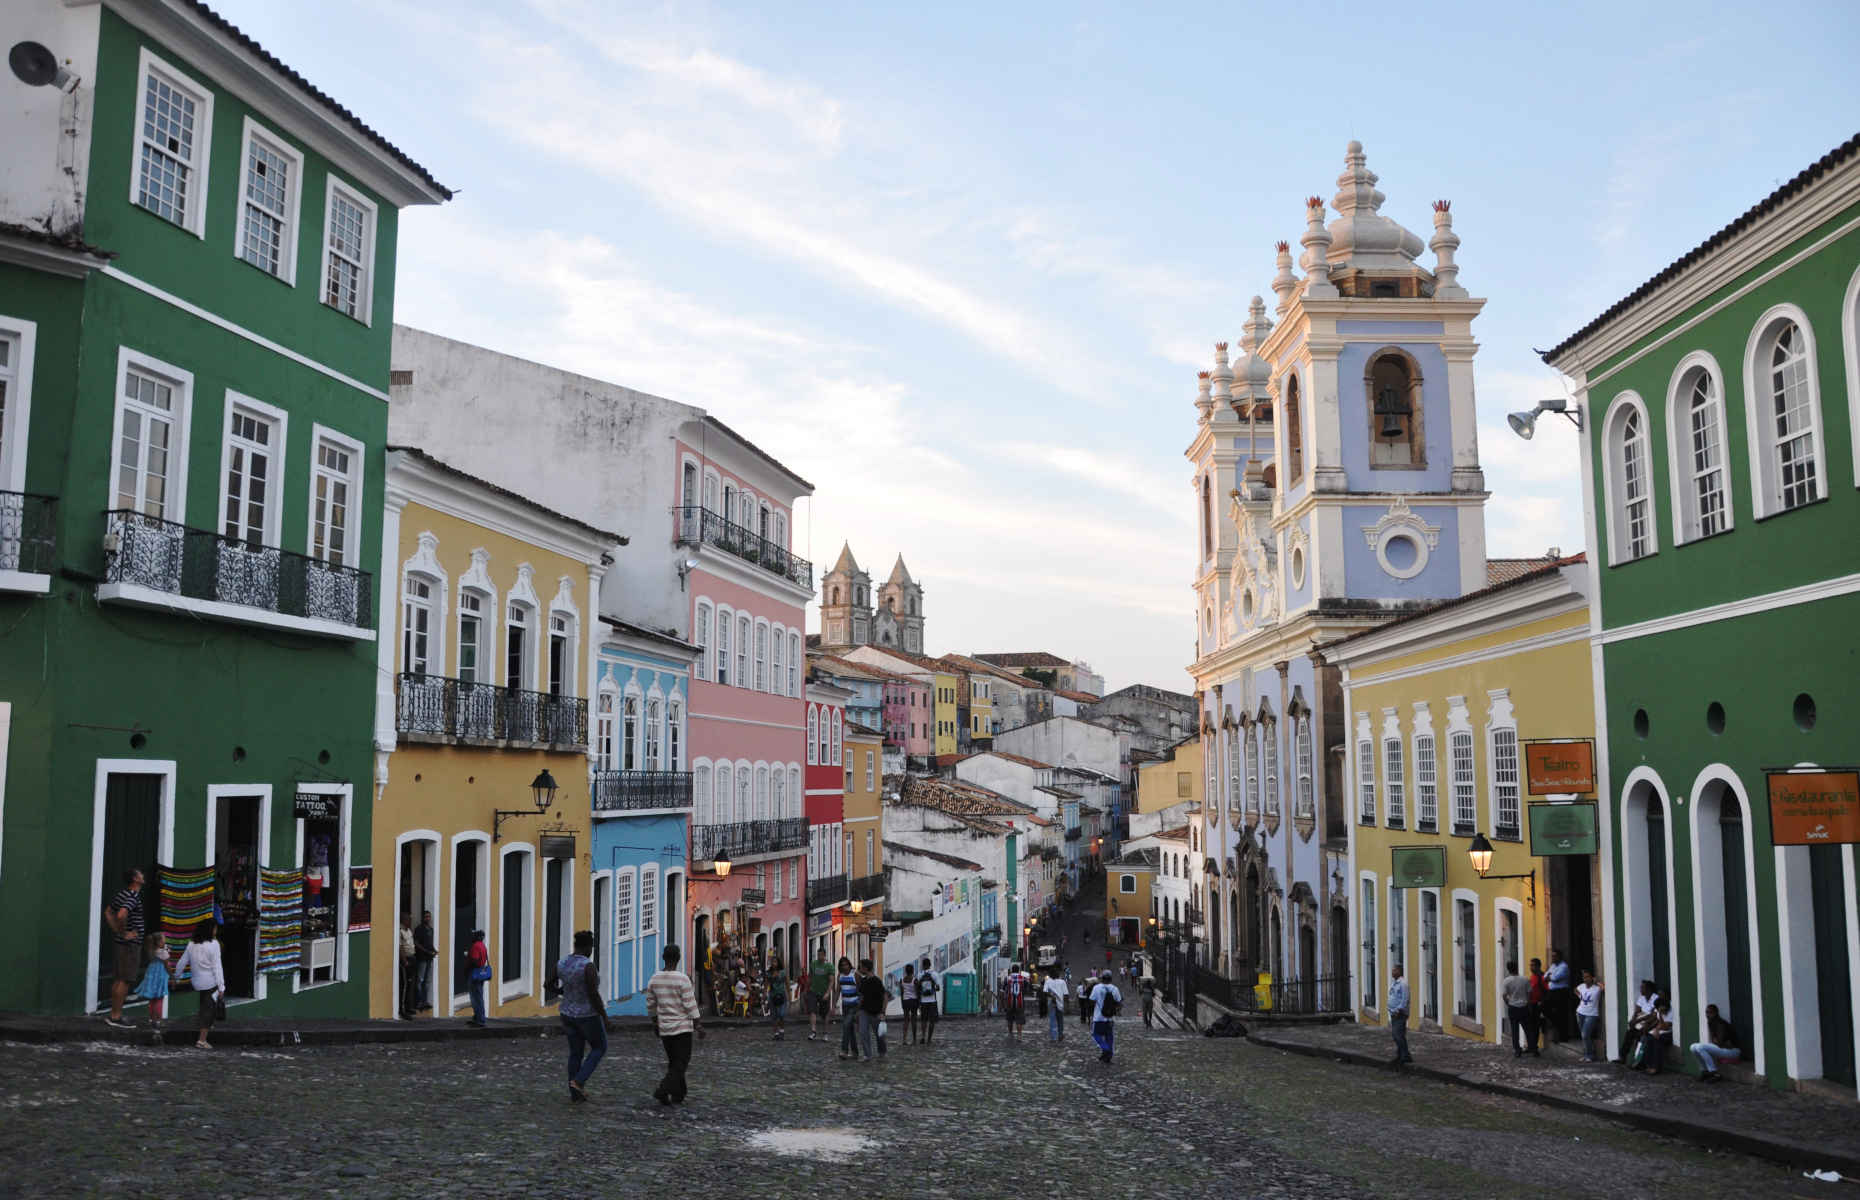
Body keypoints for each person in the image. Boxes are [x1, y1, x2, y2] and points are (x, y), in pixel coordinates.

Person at [551, 930, 605, 1102]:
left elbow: (547, 984)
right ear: (588, 946)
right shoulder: (587, 966)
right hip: (587, 1015)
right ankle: (579, 1081)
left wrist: (561, 991)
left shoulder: (562, 963)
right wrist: (604, 1016)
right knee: (599, 1047)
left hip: (567, 1013)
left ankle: (574, 1090)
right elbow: (593, 994)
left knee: (575, 1052)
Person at [646, 944, 703, 1106]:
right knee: (681, 1062)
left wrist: (655, 1023)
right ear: (678, 959)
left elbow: (651, 1005)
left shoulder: (654, 979)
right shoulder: (682, 979)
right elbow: (690, 1004)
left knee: (674, 1061)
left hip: (665, 1028)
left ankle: (679, 1093)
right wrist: (698, 1024)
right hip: (682, 1028)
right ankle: (663, 1089)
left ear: (663, 958)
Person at [103, 868, 146, 1028]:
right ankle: (116, 1017)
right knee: (125, 980)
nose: (143, 876)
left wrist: (117, 931)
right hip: (130, 945)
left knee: (118, 979)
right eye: (140, 874)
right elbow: (121, 914)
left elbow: (108, 912)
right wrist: (124, 932)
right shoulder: (133, 896)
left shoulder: (122, 894)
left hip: (121, 943)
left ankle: (113, 1014)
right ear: (135, 879)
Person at [174, 920, 225, 1050]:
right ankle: (202, 1040)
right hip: (210, 982)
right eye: (215, 928)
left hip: (196, 981)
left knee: (204, 1004)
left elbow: (182, 962)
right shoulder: (214, 944)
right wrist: (221, 986)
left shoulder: (191, 944)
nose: (216, 931)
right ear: (210, 930)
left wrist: (176, 977)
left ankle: (204, 1025)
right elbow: (217, 967)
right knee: (208, 1010)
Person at [1690, 1003, 1741, 1082]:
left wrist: (1717, 1042)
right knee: (1693, 1047)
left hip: (1733, 1051)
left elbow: (1719, 1042)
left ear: (1716, 1013)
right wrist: (1716, 1042)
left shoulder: (1720, 1023)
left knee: (1700, 1047)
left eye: (1710, 1012)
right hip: (1724, 1048)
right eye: (1706, 1012)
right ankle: (1704, 1071)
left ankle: (1714, 1073)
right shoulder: (1711, 1022)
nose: (1707, 1015)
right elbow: (1716, 1042)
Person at [130, 932, 172, 1027]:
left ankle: (151, 1018)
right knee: (159, 999)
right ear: (159, 942)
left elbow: (161, 951)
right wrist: (172, 976)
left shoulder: (152, 950)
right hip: (160, 976)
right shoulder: (163, 953)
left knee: (152, 1000)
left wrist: (165, 948)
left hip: (151, 975)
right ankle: (158, 1020)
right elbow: (167, 965)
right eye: (163, 939)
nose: (165, 941)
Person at [1620, 980, 1660, 1064]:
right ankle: (1622, 1057)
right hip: (1640, 1022)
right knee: (1629, 1033)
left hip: (1649, 1023)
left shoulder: (1655, 998)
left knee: (1639, 1036)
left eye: (1642, 988)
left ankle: (1638, 1061)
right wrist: (1633, 1020)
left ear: (1648, 989)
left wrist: (1638, 1020)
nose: (1640, 989)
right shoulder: (1641, 998)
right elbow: (1637, 1011)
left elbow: (1653, 1015)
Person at [1088, 969, 1121, 1063]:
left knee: (1096, 1035)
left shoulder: (1096, 988)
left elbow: (1091, 1001)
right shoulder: (1115, 989)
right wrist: (1114, 1010)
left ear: (1102, 978)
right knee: (1109, 1037)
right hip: (1109, 1018)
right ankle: (1108, 1054)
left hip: (1098, 1017)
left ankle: (1105, 1049)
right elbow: (1119, 1003)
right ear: (1111, 978)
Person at [856, 959, 885, 1062]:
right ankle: (867, 1055)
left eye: (861, 967)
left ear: (865, 968)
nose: (860, 968)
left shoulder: (877, 981)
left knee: (879, 1034)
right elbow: (862, 996)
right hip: (864, 1011)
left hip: (875, 1012)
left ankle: (882, 1053)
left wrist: (882, 1012)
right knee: (863, 1032)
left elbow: (884, 996)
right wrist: (858, 1010)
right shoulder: (863, 981)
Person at [1501, 964, 1533, 1058]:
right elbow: (1529, 993)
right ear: (1517, 968)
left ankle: (1517, 1050)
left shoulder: (1506, 981)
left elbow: (1504, 995)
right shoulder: (1525, 979)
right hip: (1524, 1006)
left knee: (1514, 1030)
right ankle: (1533, 1048)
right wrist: (1527, 1003)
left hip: (1513, 1007)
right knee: (1528, 1029)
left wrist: (1508, 1003)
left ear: (1508, 970)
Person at [1545, 948, 1573, 1042]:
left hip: (1561, 992)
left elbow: (1555, 978)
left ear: (1559, 957)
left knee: (1562, 1013)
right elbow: (1545, 976)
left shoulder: (1563, 967)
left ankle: (1563, 1037)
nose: (1552, 958)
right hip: (1552, 992)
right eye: (1552, 956)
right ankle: (1557, 1025)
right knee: (1544, 1008)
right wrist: (1549, 976)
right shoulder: (1553, 966)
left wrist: (1550, 976)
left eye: (1554, 956)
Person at [1576, 970, 1604, 1062]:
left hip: (1592, 1014)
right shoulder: (1581, 986)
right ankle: (1586, 1054)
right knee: (1584, 1035)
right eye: (1584, 977)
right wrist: (1580, 997)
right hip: (1580, 1012)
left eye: (1588, 977)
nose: (1586, 979)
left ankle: (1590, 1055)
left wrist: (1596, 982)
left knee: (1585, 1034)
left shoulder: (1596, 988)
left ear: (1592, 978)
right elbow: (1575, 990)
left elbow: (1603, 988)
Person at [413, 910, 438, 1011]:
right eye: (426, 917)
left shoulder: (431, 929)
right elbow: (416, 943)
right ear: (423, 918)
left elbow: (430, 943)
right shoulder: (419, 929)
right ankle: (418, 1001)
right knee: (420, 980)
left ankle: (425, 1001)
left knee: (427, 981)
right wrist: (427, 951)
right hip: (422, 958)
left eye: (429, 917)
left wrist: (434, 950)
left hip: (429, 958)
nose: (428, 918)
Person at [836, 957, 861, 1060]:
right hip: (845, 1005)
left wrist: (860, 1007)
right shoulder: (840, 976)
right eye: (842, 965)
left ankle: (844, 1050)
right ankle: (855, 1052)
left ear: (849, 965)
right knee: (849, 1029)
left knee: (846, 1026)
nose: (844, 967)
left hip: (854, 1005)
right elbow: (838, 991)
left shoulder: (855, 975)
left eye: (846, 964)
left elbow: (861, 991)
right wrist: (833, 1005)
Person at [807, 946, 834, 1041]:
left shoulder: (829, 966)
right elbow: (810, 976)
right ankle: (813, 1031)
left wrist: (827, 993)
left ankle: (825, 1033)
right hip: (813, 991)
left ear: (825, 955)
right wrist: (807, 988)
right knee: (812, 1011)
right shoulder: (813, 964)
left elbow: (831, 981)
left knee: (825, 1013)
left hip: (824, 992)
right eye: (818, 955)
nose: (820, 957)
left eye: (821, 955)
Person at [1388, 965, 1412, 1066]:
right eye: (1392, 970)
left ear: (1399, 971)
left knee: (1397, 1035)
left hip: (1400, 1013)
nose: (1392, 972)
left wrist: (1398, 1009)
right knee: (1398, 1035)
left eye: (1394, 970)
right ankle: (1401, 1055)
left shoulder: (1403, 984)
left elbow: (1405, 999)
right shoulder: (1394, 983)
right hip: (1393, 1012)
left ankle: (1405, 1055)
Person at [466, 929, 490, 1026]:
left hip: (474, 974)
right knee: (479, 996)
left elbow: (475, 961)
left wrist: (468, 963)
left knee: (476, 998)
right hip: (481, 974)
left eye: (474, 935)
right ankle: (478, 1017)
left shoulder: (475, 946)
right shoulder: (482, 946)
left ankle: (480, 1019)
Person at [398, 914, 418, 1020]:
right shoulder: (400, 931)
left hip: (412, 958)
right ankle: (402, 1009)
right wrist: (404, 960)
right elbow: (400, 947)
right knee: (405, 984)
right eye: (408, 920)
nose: (410, 922)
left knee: (411, 984)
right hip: (406, 960)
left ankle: (409, 1006)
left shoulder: (409, 931)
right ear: (404, 920)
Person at [916, 959, 940, 1045]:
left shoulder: (919, 975)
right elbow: (938, 988)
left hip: (923, 1001)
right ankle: (929, 1040)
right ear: (930, 965)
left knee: (923, 1020)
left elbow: (917, 988)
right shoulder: (934, 974)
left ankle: (923, 1037)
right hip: (932, 1000)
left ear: (923, 965)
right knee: (931, 1021)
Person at [1043, 969, 1069, 1042]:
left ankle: (1054, 1037)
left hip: (1052, 1002)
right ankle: (1060, 1034)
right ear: (1058, 975)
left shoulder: (1048, 981)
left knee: (1052, 1020)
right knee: (1060, 1020)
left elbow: (1045, 992)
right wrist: (1067, 1005)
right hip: (1060, 1003)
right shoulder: (1062, 982)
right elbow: (1066, 994)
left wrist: (1051, 995)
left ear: (1050, 975)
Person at [767, 954, 789, 1040]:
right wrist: (765, 994)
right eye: (772, 962)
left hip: (782, 995)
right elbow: (766, 983)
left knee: (781, 1014)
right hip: (772, 995)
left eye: (775, 962)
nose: (773, 963)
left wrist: (789, 996)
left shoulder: (783, 972)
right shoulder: (769, 973)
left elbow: (787, 983)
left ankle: (782, 1031)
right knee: (774, 1015)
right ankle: (776, 1033)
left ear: (778, 963)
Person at [900, 964, 921, 1045]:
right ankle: (914, 1040)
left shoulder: (902, 980)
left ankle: (904, 1039)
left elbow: (902, 993)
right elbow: (917, 992)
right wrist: (919, 1003)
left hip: (905, 1001)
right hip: (913, 1001)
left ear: (906, 971)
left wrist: (902, 1002)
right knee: (913, 1020)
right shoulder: (915, 980)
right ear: (912, 971)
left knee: (905, 1020)